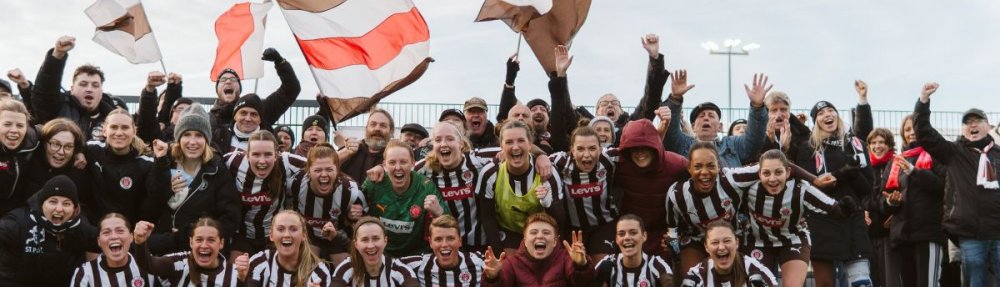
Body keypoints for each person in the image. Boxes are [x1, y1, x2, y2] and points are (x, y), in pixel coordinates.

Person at [786, 80, 874, 287]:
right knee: (825, 283)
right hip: (821, 219)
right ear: (815, 121)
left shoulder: (854, 144)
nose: (827, 115)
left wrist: (850, 174)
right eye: (821, 113)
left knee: (861, 282)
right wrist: (842, 173)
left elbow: (867, 186)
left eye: (830, 110)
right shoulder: (808, 148)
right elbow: (809, 185)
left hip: (853, 217)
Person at [912, 82, 1000, 287]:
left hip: (998, 229)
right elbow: (924, 133)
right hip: (970, 232)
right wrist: (923, 100)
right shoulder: (953, 152)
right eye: (967, 122)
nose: (972, 125)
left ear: (988, 125)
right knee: (974, 279)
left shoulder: (998, 154)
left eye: (977, 120)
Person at [736, 150, 855, 287]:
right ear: (759, 174)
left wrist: (846, 208)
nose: (772, 179)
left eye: (778, 172)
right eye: (766, 173)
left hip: (793, 240)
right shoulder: (749, 187)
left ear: (788, 172)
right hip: (757, 240)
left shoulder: (800, 188)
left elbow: (834, 208)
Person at [142, 103, 241, 255]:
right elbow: (150, 204)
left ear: (207, 139)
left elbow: (230, 218)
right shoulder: (164, 162)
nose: (192, 142)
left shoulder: (217, 170)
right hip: (161, 248)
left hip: (199, 252)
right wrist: (166, 185)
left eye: (199, 135)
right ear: (178, 138)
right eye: (187, 134)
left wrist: (192, 234)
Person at [546, 34, 670, 151]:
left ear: (622, 111)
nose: (610, 105)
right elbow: (562, 111)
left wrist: (655, 60)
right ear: (596, 112)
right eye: (604, 103)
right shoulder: (581, 126)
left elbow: (651, 99)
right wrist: (560, 75)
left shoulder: (631, 126)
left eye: (614, 103)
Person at [880, 113, 947, 287]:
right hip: (902, 235)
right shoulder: (894, 162)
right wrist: (890, 203)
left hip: (928, 232)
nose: (911, 132)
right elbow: (883, 197)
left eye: (915, 128)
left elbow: (943, 187)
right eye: (907, 129)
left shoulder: (937, 156)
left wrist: (913, 171)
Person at [478, 120, 564, 253]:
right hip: (509, 232)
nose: (515, 147)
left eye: (521, 141)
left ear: (530, 144)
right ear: (501, 145)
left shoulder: (547, 172)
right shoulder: (490, 173)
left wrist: (548, 203)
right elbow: (487, 218)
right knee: (508, 268)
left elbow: (560, 220)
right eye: (509, 142)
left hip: (541, 234)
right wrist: (499, 255)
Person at [0, 176, 98, 286]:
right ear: (42, 204)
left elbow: (106, 241)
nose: (59, 209)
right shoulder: (18, 222)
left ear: (74, 209)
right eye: (53, 202)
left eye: (66, 203)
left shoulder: (80, 228)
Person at [362, 139, 449, 257]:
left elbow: (448, 224)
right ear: (384, 165)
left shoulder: (426, 187)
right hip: (380, 253)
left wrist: (439, 213)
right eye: (392, 162)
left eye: (403, 162)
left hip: (416, 254)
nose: (398, 167)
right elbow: (354, 208)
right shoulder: (374, 182)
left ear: (413, 163)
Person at [225, 130, 305, 258]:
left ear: (276, 155)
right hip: (242, 235)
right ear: (247, 155)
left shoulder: (286, 161)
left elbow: (320, 164)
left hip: (274, 236)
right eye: (256, 154)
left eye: (268, 154)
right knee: (237, 273)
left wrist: (348, 150)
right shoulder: (232, 161)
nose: (262, 161)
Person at [615, 118, 688, 259]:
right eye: (634, 148)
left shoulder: (677, 164)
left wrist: (680, 232)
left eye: (645, 147)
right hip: (632, 234)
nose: (640, 153)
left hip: (666, 234)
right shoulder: (619, 164)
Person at [662, 72, 769, 167]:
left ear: (720, 126)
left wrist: (757, 107)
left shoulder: (733, 145)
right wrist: (675, 99)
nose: (706, 118)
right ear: (693, 126)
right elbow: (670, 132)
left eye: (711, 116)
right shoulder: (682, 143)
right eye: (701, 116)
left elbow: (754, 139)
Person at [30, 36, 126, 140]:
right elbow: (44, 91)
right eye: (83, 84)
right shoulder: (58, 107)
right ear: (72, 89)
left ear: (101, 91)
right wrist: (57, 55)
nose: (89, 89)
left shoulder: (112, 115)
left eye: (95, 85)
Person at [549, 126, 621, 262]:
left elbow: (640, 146)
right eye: (580, 149)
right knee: (575, 265)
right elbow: (534, 158)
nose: (586, 155)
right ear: (572, 150)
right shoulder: (560, 161)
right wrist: (540, 156)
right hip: (573, 228)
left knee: (601, 265)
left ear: (600, 149)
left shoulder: (609, 158)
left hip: (604, 225)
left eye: (592, 148)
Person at [210, 48, 301, 152]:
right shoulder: (208, 120)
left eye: (233, 79)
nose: (228, 82)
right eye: (223, 80)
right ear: (217, 89)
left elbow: (291, 90)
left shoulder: (260, 109)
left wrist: (280, 63)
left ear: (239, 88)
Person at [288, 143, 367, 263]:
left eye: (329, 169)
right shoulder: (296, 184)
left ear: (337, 170)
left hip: (338, 236)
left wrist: (355, 217)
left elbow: (364, 223)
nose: (324, 175)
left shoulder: (352, 191)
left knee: (346, 269)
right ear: (308, 170)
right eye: (318, 170)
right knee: (308, 266)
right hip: (309, 236)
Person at [82, 108, 156, 224]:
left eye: (125, 127)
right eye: (114, 127)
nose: (119, 133)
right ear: (104, 131)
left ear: (134, 131)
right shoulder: (90, 150)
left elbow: (152, 201)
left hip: (127, 232)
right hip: (95, 229)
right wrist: (78, 154)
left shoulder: (147, 164)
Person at [481, 212, 594, 287]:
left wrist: (581, 265)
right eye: (534, 232)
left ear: (555, 241)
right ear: (525, 240)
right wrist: (492, 278)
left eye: (546, 232)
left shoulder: (566, 258)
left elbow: (582, 282)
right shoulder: (512, 263)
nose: (540, 236)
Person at [132, 217, 247, 286]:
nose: (204, 245)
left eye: (211, 240)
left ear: (221, 243)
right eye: (199, 239)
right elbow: (149, 265)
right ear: (191, 242)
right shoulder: (180, 262)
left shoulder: (234, 273)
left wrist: (242, 280)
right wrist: (140, 242)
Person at [244, 210, 333, 287]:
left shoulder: (319, 272)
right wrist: (241, 278)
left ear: (303, 236)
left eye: (293, 229)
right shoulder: (258, 262)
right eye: (281, 229)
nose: (286, 235)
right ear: (271, 236)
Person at [70, 213, 159, 287]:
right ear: (99, 241)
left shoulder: (149, 265)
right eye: (106, 232)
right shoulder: (85, 273)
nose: (113, 236)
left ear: (131, 237)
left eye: (120, 231)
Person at [19, 118, 91, 209]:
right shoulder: (28, 161)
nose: (61, 152)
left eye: (68, 147)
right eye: (55, 144)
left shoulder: (79, 173)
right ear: (45, 143)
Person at [680, 221, 777, 287]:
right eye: (715, 242)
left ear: (737, 243)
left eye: (727, 241)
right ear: (706, 247)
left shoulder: (754, 269)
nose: (721, 247)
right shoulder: (696, 276)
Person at [331, 216, 419, 287]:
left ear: (385, 241)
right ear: (356, 244)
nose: (371, 246)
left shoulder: (399, 269)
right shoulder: (347, 266)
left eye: (376, 238)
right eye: (365, 240)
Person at [400, 215, 486, 286]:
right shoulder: (418, 265)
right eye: (438, 239)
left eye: (450, 238)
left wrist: (494, 277)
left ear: (460, 241)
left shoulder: (479, 262)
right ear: (430, 243)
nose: (444, 244)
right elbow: (389, 264)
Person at [594, 214, 674, 287]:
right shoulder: (607, 263)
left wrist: (677, 260)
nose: (627, 237)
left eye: (633, 233)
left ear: (644, 236)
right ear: (616, 239)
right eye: (621, 234)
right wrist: (598, 280)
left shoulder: (657, 265)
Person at [865, 127, 901, 287]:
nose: (877, 146)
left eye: (882, 142)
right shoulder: (865, 167)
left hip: (889, 233)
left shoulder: (897, 165)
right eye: (873, 142)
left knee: (891, 279)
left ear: (890, 145)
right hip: (868, 232)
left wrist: (895, 211)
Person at [0, 99, 41, 216]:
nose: (14, 130)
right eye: (7, 124)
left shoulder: (32, 138)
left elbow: (57, 129)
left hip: (14, 213)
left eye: (20, 125)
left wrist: (79, 151)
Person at [339, 108, 394, 183]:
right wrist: (346, 153)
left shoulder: (395, 154)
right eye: (373, 124)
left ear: (391, 131)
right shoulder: (350, 149)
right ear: (366, 128)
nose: (377, 128)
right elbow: (325, 165)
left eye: (383, 125)